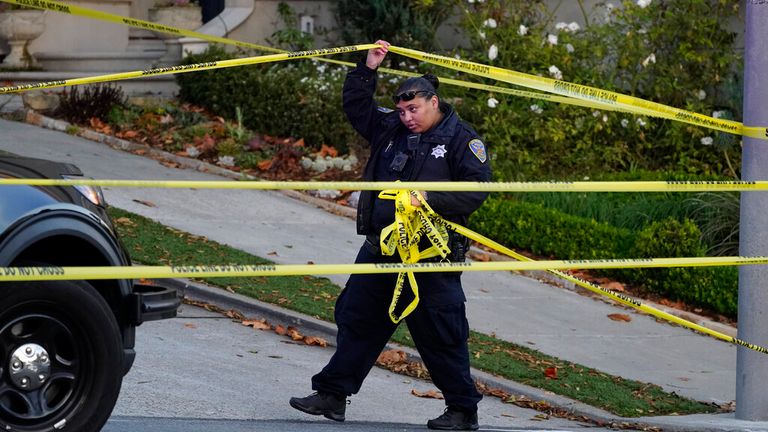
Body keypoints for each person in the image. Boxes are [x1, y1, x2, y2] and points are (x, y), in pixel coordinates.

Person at [290, 40, 492, 431]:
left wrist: (428, 198)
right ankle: (333, 395)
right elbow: (358, 108)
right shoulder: (390, 130)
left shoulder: (462, 140)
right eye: (401, 110)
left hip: (431, 256)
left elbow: (477, 190)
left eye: (413, 109)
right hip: (382, 248)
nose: (407, 117)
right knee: (358, 318)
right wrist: (367, 69)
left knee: (440, 333)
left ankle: (463, 411)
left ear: (433, 102)